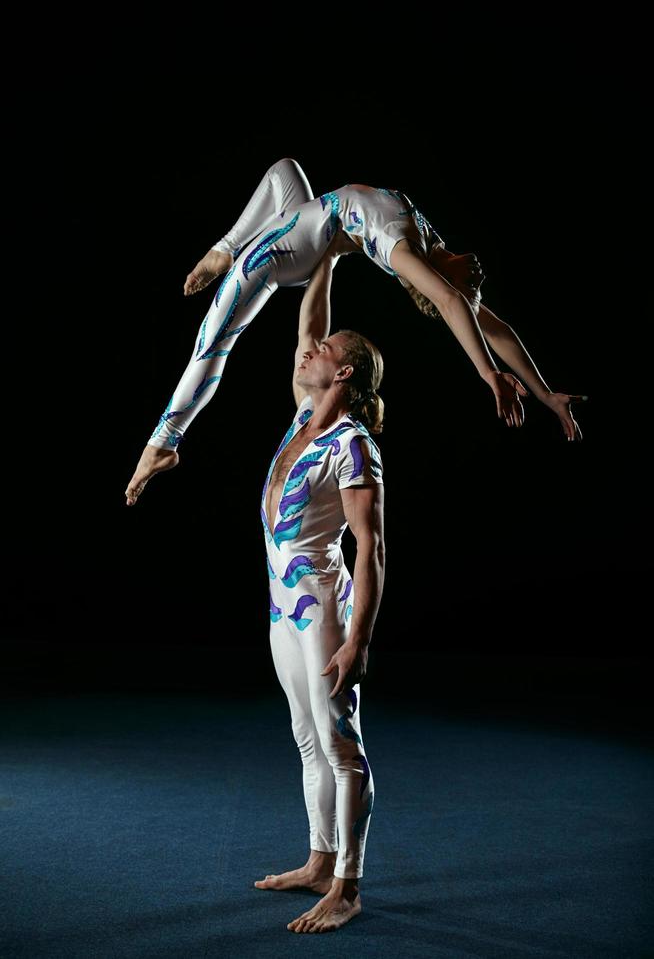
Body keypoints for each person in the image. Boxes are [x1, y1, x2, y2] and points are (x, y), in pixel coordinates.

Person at [125, 157, 587, 506]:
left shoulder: (404, 251)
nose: (480, 277)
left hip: (291, 250)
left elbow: (454, 305)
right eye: (477, 287)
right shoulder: (431, 242)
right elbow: (497, 326)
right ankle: (228, 247)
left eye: (474, 285)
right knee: (284, 171)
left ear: (447, 284)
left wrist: (489, 375)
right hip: (312, 224)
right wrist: (545, 395)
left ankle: (163, 444)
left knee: (213, 342)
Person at [255, 230, 384, 932]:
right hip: (283, 606)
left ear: (345, 375)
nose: (311, 349)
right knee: (308, 739)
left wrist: (357, 640)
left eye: (327, 351)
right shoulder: (305, 417)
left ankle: (349, 886)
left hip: (324, 609)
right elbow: (308, 323)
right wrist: (326, 256)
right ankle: (316, 860)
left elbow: (373, 549)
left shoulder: (353, 446)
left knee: (342, 746)